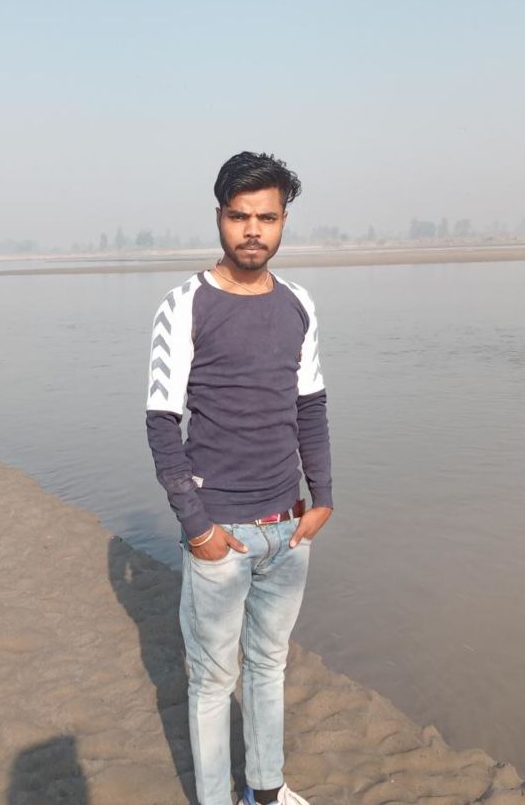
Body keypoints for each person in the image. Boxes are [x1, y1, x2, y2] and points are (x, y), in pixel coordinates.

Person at [146, 151, 333, 805]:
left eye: (267, 217)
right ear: (220, 217)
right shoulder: (184, 305)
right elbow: (161, 423)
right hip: (219, 533)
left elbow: (310, 406)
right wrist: (197, 528)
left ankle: (266, 790)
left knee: (269, 666)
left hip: (289, 528)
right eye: (239, 216)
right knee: (210, 680)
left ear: (283, 221)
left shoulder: (298, 303)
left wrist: (323, 498)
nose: (253, 230)